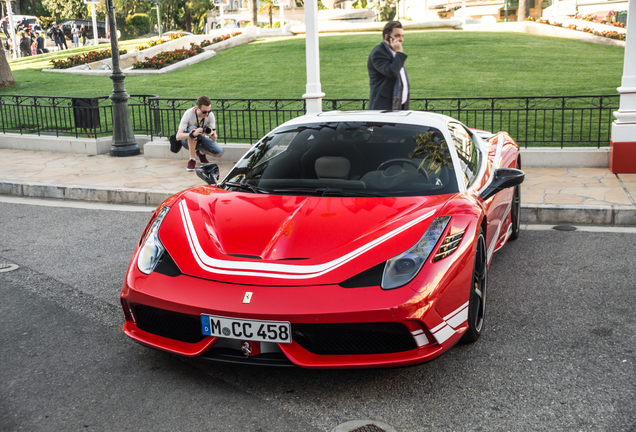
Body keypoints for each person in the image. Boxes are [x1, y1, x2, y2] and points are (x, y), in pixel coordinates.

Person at [367, 20, 410, 111]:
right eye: (397, 36)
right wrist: (399, 53)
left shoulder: (393, 52)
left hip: (398, 106)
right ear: (387, 37)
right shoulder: (378, 53)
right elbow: (391, 72)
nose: (401, 40)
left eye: (402, 36)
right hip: (384, 108)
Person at [175, 95, 224, 172]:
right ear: (197, 108)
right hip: (187, 141)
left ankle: (201, 152)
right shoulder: (188, 113)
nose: (207, 114)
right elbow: (178, 136)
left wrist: (211, 134)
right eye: (204, 111)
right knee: (192, 129)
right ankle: (192, 159)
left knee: (219, 152)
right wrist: (192, 134)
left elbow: (215, 138)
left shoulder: (210, 115)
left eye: (209, 111)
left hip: (201, 139)